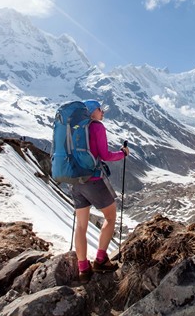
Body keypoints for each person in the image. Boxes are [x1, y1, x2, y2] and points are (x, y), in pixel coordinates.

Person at [72, 99, 129, 283]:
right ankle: (100, 259)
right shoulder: (97, 127)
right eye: (99, 109)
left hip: (76, 180)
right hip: (94, 180)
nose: (102, 112)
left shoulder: (74, 128)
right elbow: (104, 155)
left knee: (81, 225)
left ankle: (83, 269)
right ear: (91, 112)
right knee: (111, 217)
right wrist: (123, 153)